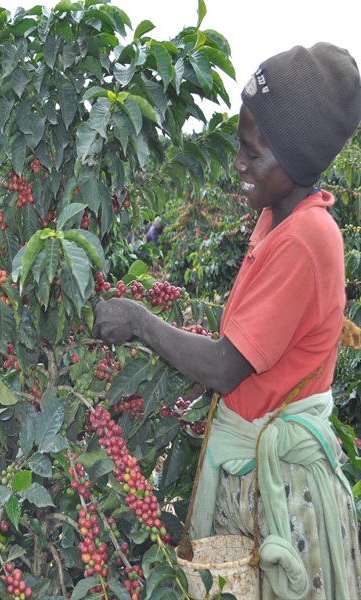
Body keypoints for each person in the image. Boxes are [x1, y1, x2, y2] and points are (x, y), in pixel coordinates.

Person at [93, 42, 361, 599]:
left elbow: (224, 367)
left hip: (282, 497)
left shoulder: (307, 239)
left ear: (298, 160)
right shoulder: (276, 219)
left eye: (253, 152)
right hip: (255, 476)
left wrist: (140, 322)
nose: (238, 163)